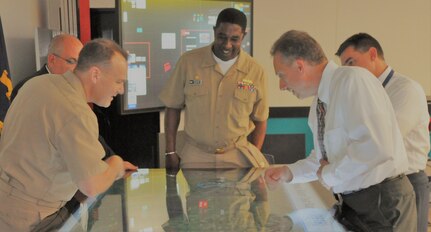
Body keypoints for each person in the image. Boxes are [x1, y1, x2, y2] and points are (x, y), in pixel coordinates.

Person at [265, 30, 416, 231]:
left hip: (382, 204)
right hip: (355, 205)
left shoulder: (353, 80)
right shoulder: (319, 102)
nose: (281, 86)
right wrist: (288, 172)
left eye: (281, 75)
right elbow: (323, 161)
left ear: (300, 66)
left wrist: (328, 174)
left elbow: (376, 148)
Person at [0, 38, 138, 231]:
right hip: (33, 217)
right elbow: (92, 185)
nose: (121, 90)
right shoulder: (76, 111)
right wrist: (115, 164)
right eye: (118, 81)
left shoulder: (38, 83)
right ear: (95, 74)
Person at [335, 32, 430, 232]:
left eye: (352, 62)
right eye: (345, 67)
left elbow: (382, 140)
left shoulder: (406, 89)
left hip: (407, 182)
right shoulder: (364, 94)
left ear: (372, 54)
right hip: (376, 186)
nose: (349, 71)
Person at [159, 8, 269, 169]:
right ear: (214, 31)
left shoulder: (255, 71)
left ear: (244, 36)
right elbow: (172, 107)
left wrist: (256, 153)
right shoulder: (189, 62)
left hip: (238, 154)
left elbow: (260, 120)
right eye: (221, 37)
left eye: (235, 39)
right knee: (198, 195)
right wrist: (170, 152)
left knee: (241, 195)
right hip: (196, 154)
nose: (227, 45)